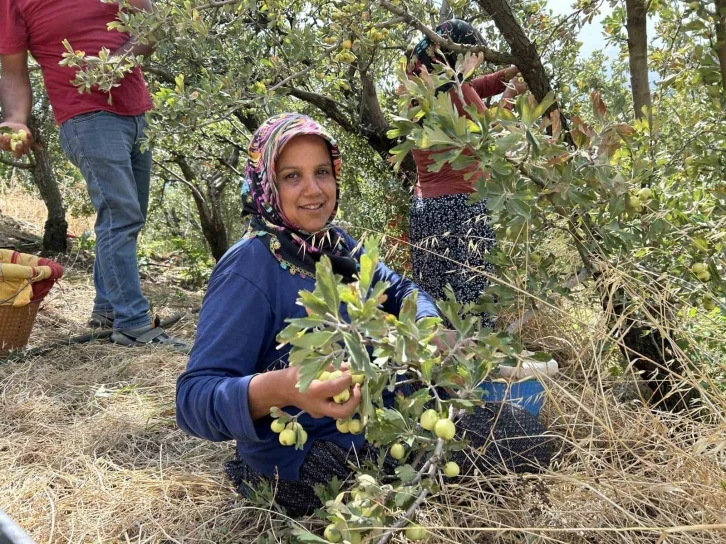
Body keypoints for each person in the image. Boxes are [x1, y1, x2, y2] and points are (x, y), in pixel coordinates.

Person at [176, 113, 552, 517]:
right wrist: (284, 388)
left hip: (379, 424)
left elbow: (403, 289)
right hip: (306, 460)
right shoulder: (249, 267)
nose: (313, 189)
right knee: (519, 449)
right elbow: (193, 400)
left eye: (322, 171)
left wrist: (424, 327)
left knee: (526, 437)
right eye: (291, 176)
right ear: (265, 184)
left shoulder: (337, 247)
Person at [0, 0, 188, 350]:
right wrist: (15, 120)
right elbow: (12, 71)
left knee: (130, 216)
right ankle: (133, 324)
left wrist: (115, 64)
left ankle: (108, 311)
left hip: (136, 112)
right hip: (85, 118)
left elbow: (154, 25)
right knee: (121, 215)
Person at [406, 19, 528, 328]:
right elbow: (492, 139)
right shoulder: (456, 91)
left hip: (426, 211)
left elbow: (474, 86)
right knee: (471, 306)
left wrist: (505, 76)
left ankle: (438, 371)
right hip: (461, 211)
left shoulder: (424, 85)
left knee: (436, 303)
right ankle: (473, 368)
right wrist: (512, 92)